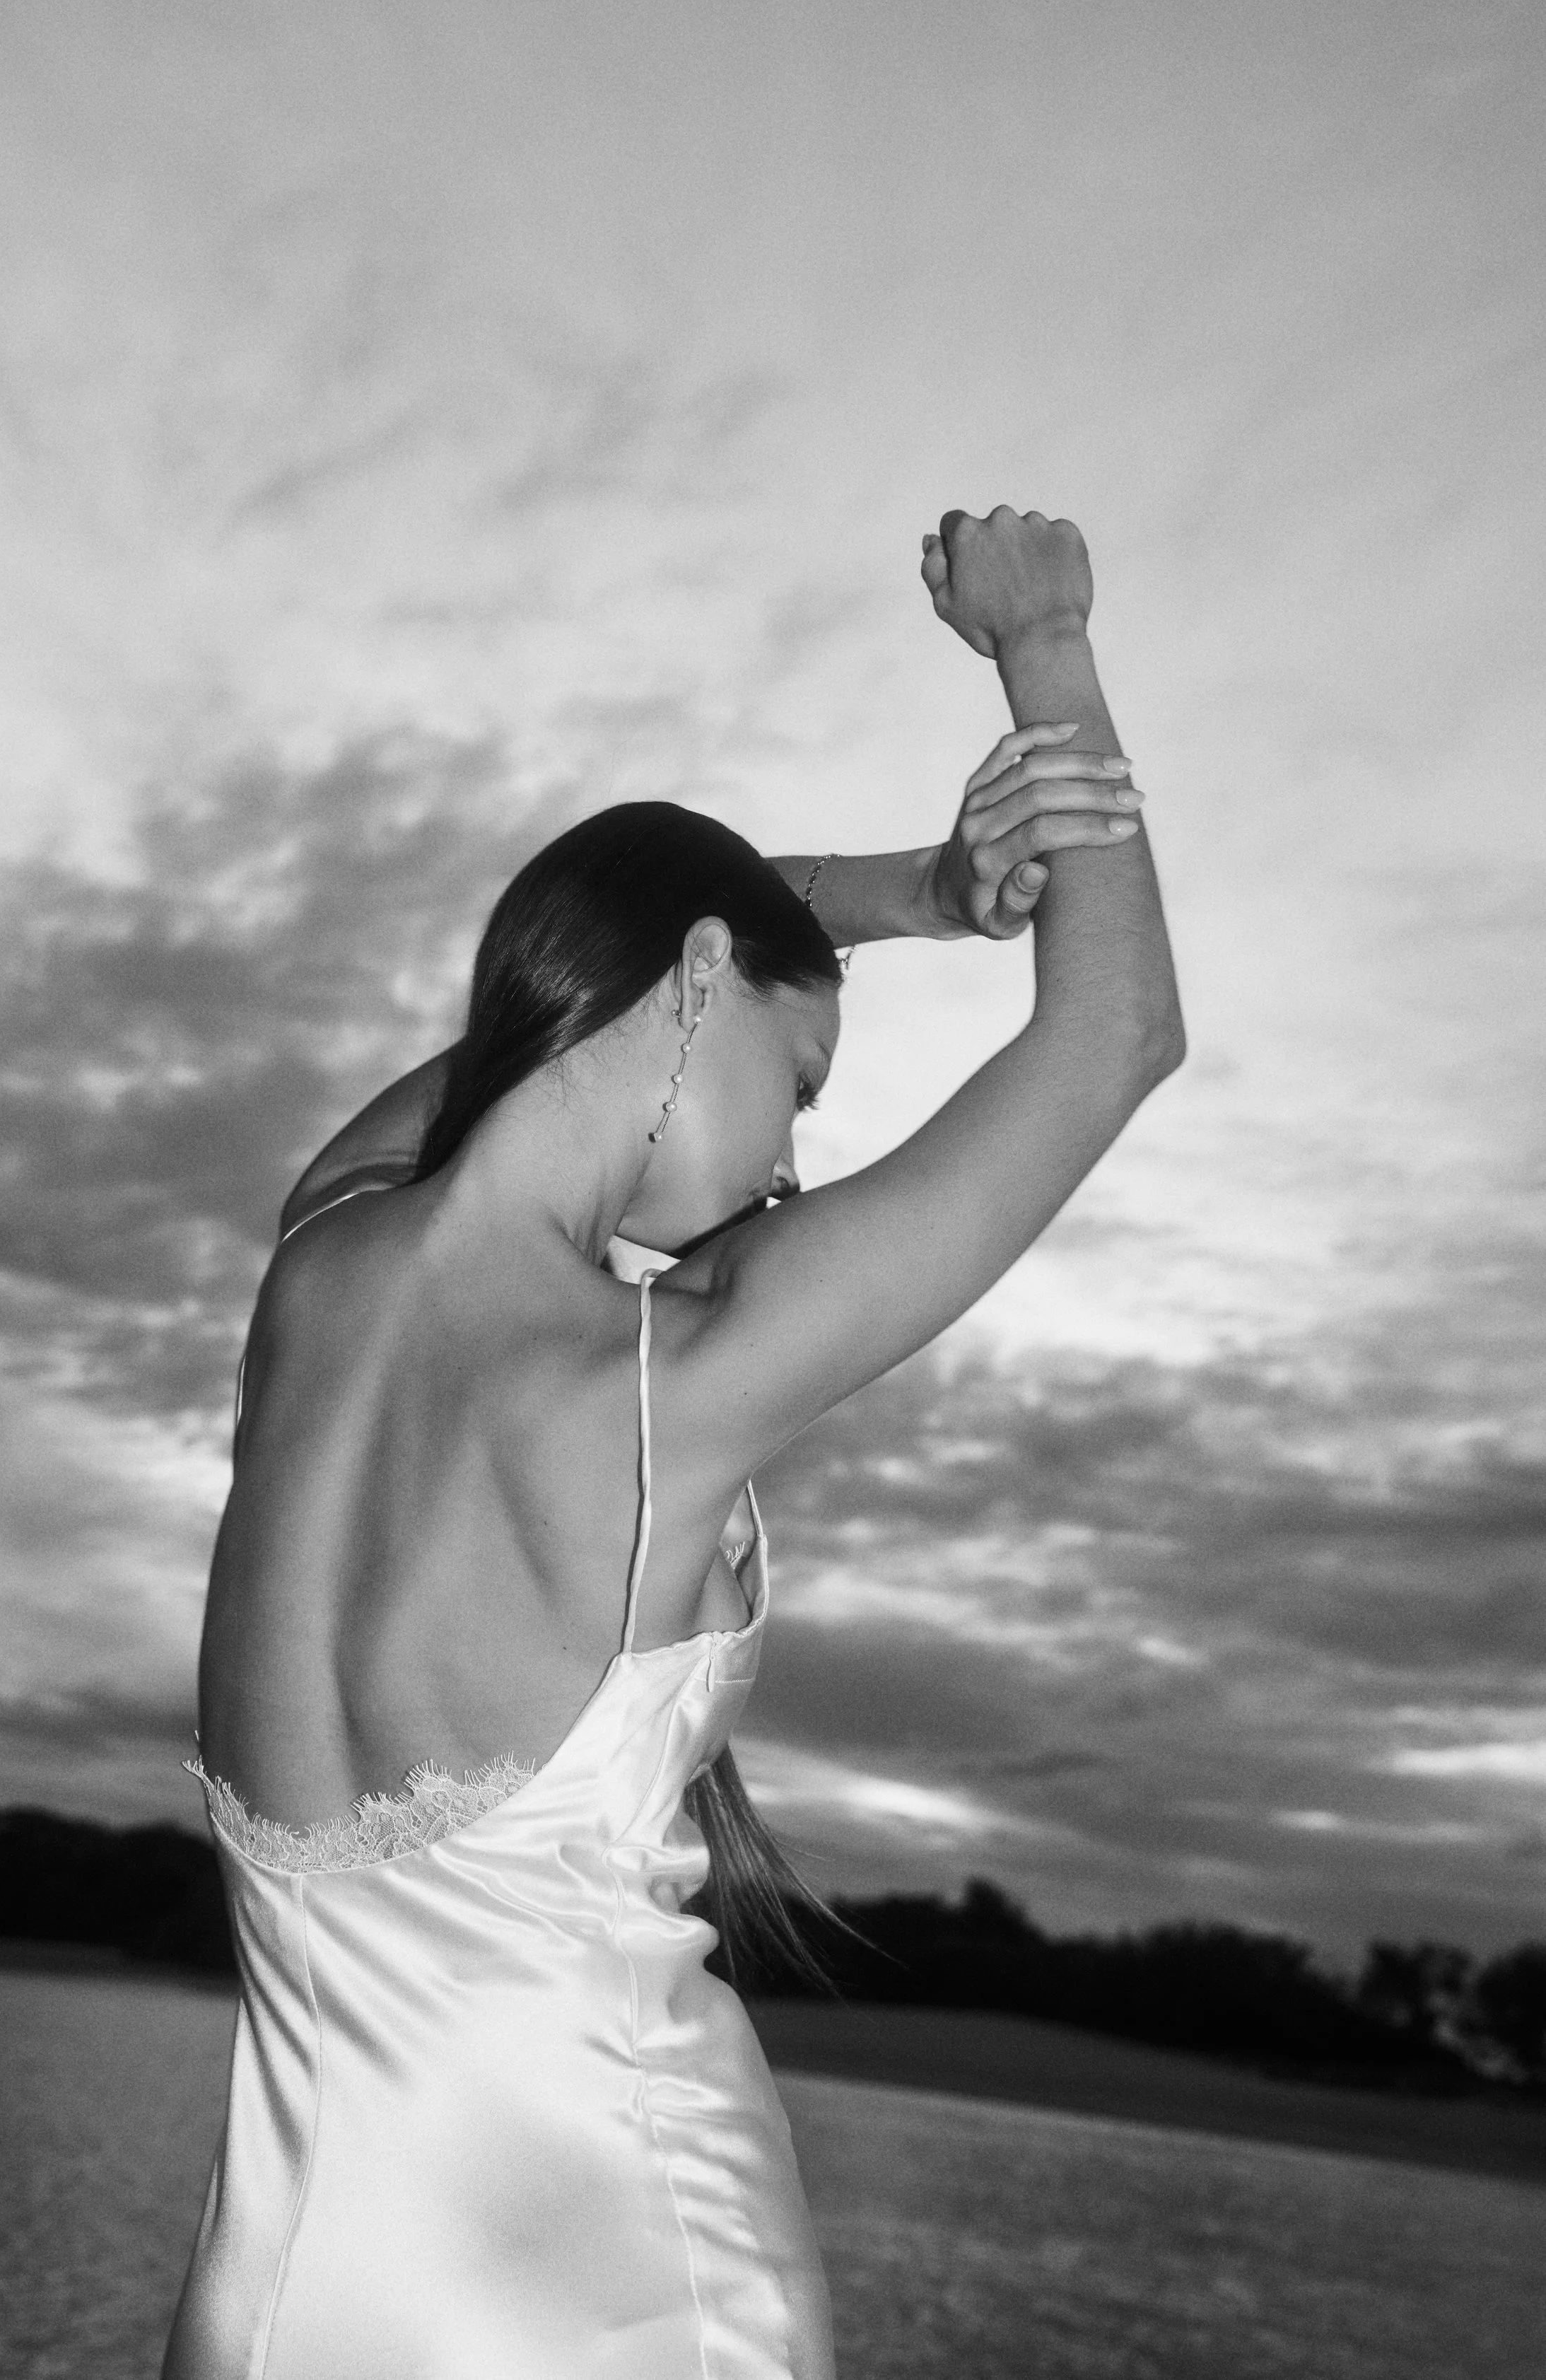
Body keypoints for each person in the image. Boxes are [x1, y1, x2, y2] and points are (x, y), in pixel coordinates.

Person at [162, 506, 1183, 2380]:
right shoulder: (667, 1377)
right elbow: (1113, 1033)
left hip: (268, 2303)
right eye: (796, 1090)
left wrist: (911, 896)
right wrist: (1043, 641)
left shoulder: (316, 1258)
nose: (789, 1163)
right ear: (700, 983)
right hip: (604, 2295)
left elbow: (544, 1022)